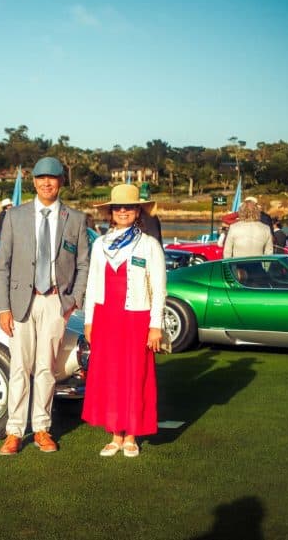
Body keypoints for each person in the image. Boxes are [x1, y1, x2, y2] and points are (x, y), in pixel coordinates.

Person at [0, 156, 89, 456]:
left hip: (55, 302)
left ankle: (41, 428)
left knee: (47, 368)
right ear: (33, 181)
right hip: (21, 302)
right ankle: (13, 431)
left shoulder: (75, 219)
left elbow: (84, 264)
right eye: (41, 178)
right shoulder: (15, 217)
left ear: (62, 181)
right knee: (20, 368)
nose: (47, 182)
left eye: (53, 177)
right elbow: (3, 266)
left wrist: (72, 300)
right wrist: (3, 307)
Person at [82, 184, 166, 458]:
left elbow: (159, 288)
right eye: (118, 207)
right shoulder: (100, 244)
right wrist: (89, 320)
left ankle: (131, 434)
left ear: (137, 210)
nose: (123, 212)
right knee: (110, 374)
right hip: (107, 317)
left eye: (128, 207)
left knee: (135, 374)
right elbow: (93, 284)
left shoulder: (149, 244)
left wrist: (156, 325)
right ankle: (115, 434)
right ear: (110, 212)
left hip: (136, 318)